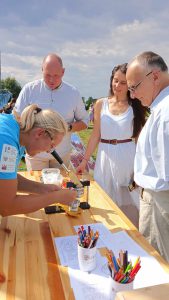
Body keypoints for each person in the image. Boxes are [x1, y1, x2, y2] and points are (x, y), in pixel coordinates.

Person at [76, 63, 147, 227]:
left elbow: (140, 140)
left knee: (130, 204)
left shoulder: (135, 107)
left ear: (129, 84)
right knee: (104, 201)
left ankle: (132, 238)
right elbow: (95, 135)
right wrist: (84, 161)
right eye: (115, 81)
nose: (117, 85)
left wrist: (140, 167)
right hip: (104, 158)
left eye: (123, 83)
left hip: (127, 158)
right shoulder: (101, 104)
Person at [126, 51, 169, 262]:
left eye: (134, 87)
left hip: (160, 203)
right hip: (158, 198)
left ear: (153, 77)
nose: (132, 95)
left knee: (159, 264)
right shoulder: (161, 107)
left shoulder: (165, 112)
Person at [14, 53, 89, 170]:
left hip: (61, 154)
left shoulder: (73, 93)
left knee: (59, 186)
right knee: (35, 186)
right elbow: (16, 117)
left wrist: (66, 127)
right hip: (36, 154)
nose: (51, 80)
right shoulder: (29, 89)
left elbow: (85, 122)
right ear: (42, 70)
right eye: (47, 75)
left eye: (56, 75)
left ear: (63, 72)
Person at [0, 104, 76, 218]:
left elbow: (5, 178)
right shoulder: (6, 141)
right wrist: (57, 197)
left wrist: (40, 188)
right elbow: (6, 207)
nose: (48, 151)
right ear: (40, 133)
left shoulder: (17, 133)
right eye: (51, 145)